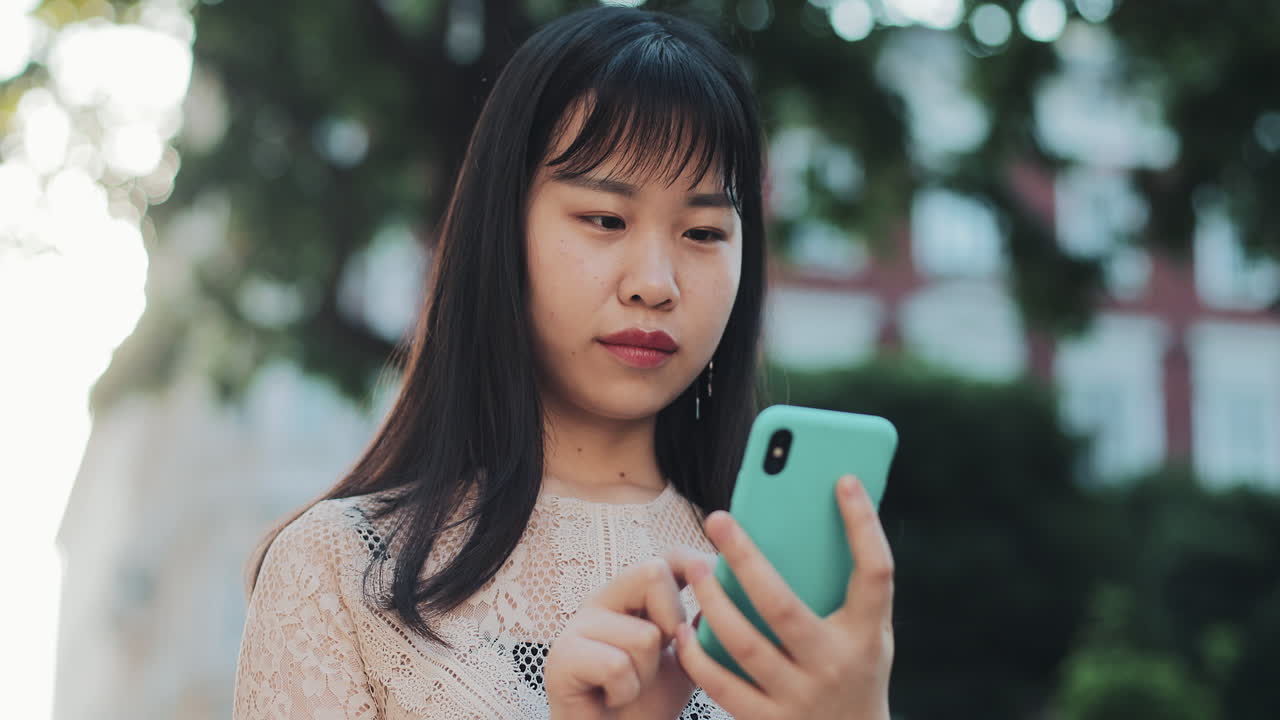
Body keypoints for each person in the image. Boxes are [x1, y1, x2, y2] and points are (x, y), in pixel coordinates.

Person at [230, 5, 894, 719]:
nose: (655, 284)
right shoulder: (341, 570)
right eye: (605, 220)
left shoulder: (785, 592)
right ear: (503, 232)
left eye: (703, 232)